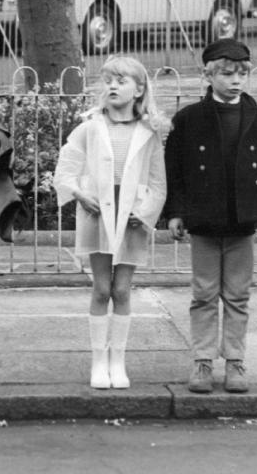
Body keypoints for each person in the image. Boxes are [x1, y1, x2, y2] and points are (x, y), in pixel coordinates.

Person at [164, 39, 257, 394]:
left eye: (241, 74)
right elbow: (176, 171)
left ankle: (235, 362)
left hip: (242, 220)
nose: (236, 81)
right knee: (203, 294)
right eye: (227, 74)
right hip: (203, 220)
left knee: (237, 295)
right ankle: (202, 362)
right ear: (208, 75)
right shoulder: (188, 119)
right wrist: (175, 213)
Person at [53, 56, 168, 389]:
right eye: (108, 80)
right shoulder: (90, 127)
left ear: (139, 89)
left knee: (122, 288)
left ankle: (118, 361)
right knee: (102, 288)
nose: (113, 86)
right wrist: (78, 193)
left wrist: (144, 213)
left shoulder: (149, 132)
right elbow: (66, 168)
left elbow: (158, 183)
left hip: (131, 216)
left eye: (121, 80)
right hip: (97, 212)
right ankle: (98, 362)